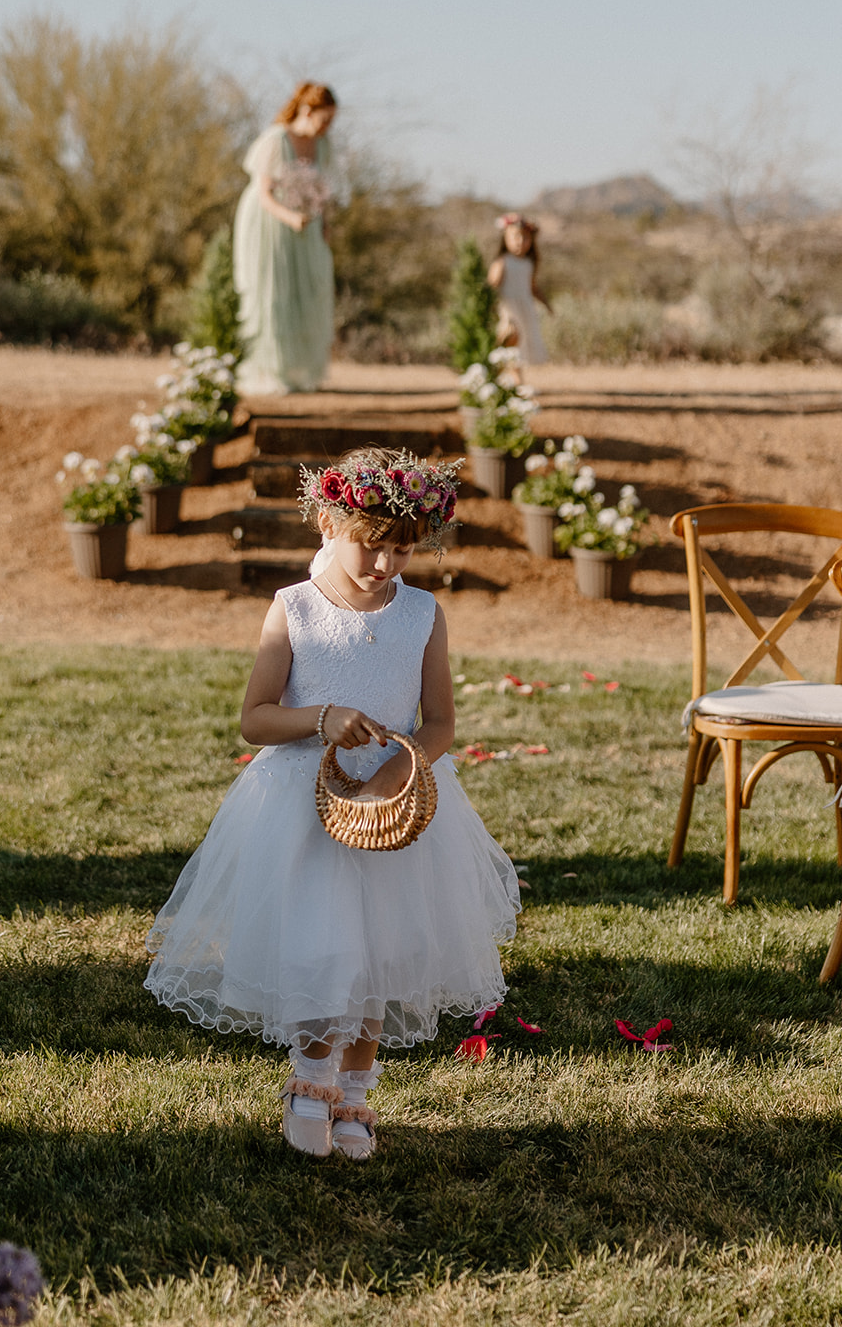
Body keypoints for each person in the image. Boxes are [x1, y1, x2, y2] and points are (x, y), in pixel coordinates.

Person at [144, 447, 521, 1160]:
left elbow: (439, 722)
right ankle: (309, 1078)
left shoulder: (421, 615)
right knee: (325, 945)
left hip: (387, 804)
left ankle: (355, 1091)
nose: (385, 566)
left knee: (381, 945)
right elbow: (254, 718)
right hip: (302, 805)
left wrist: (395, 774)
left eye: (402, 552)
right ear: (327, 521)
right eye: (371, 548)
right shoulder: (295, 608)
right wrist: (321, 717)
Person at [232, 82, 338, 396]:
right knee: (272, 295)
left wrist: (323, 223)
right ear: (307, 111)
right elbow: (264, 194)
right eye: (324, 119)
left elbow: (320, 189)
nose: (327, 126)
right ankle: (270, 372)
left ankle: (302, 371)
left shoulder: (322, 145)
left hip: (306, 224)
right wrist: (290, 217)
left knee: (309, 290)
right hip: (269, 225)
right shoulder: (275, 140)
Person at [487, 212, 551, 373]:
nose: (521, 242)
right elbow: (491, 286)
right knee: (510, 341)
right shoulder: (502, 262)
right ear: (505, 238)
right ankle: (513, 382)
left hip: (525, 308)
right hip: (508, 310)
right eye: (516, 237)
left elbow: (532, 287)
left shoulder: (529, 263)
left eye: (526, 238)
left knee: (521, 345)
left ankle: (513, 382)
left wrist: (547, 304)